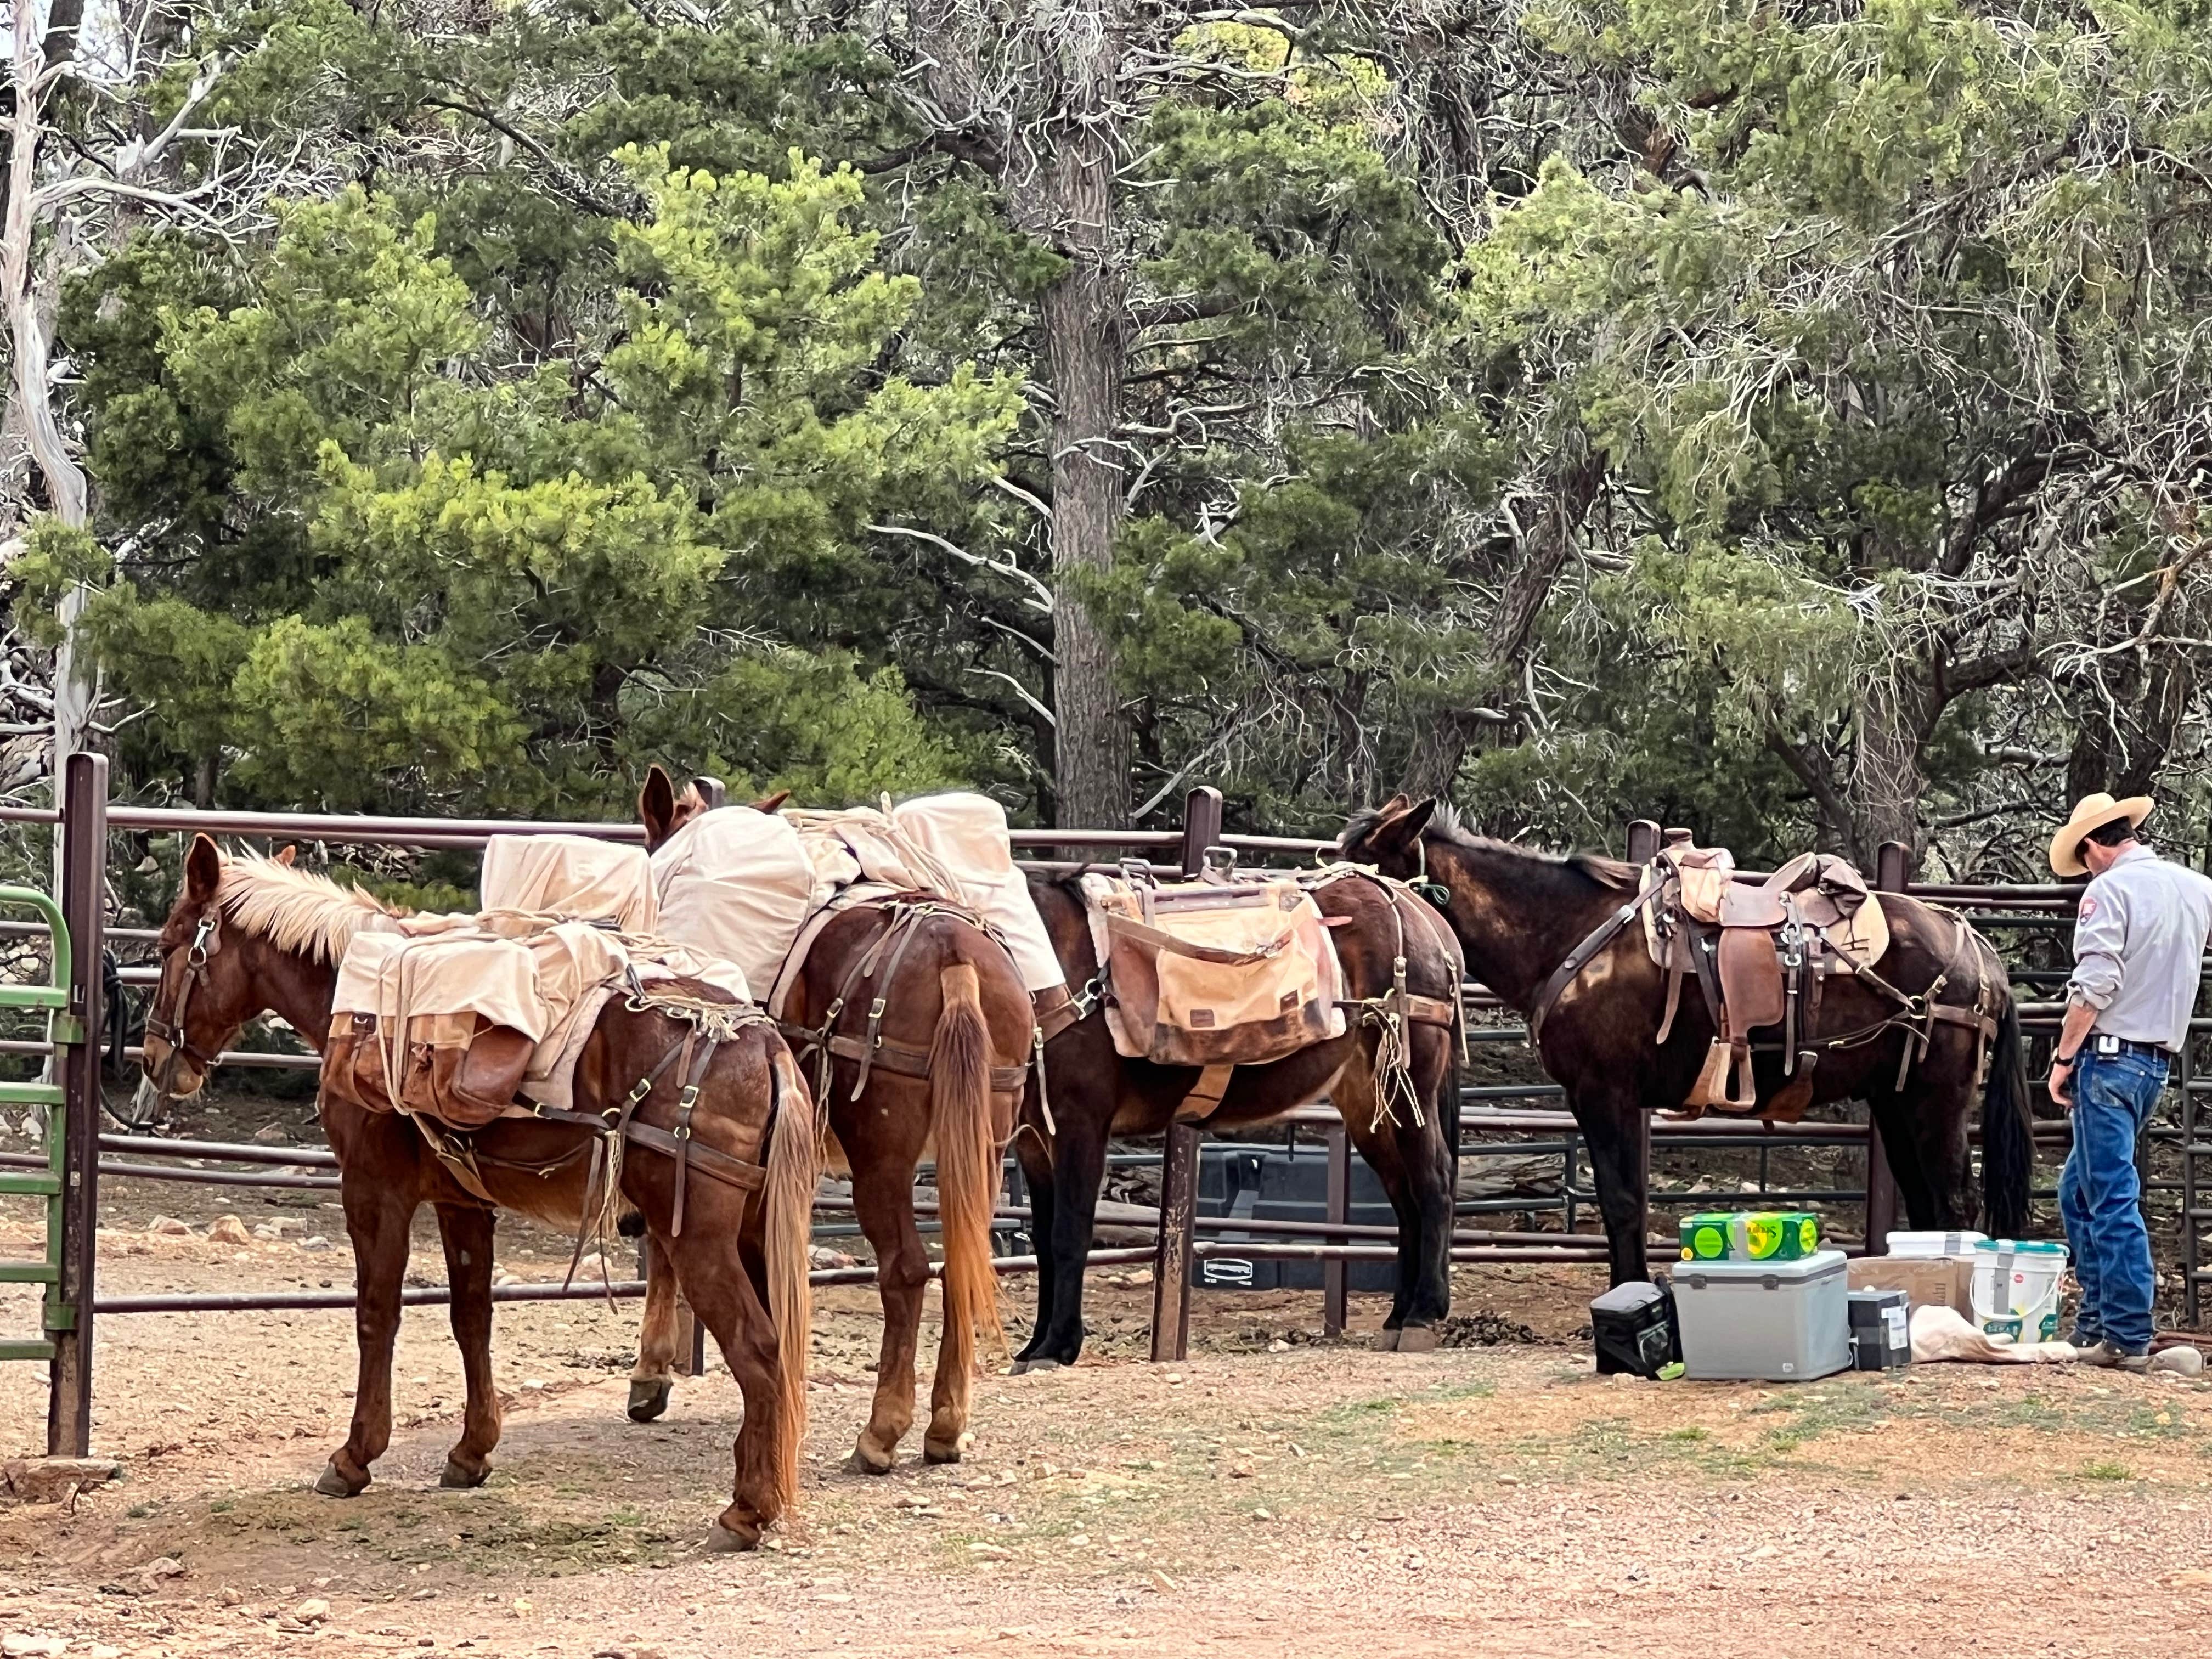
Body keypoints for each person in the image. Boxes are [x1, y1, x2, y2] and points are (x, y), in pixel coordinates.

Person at [2047, 793, 2212, 1374]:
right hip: (2154, 1061)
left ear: (2094, 844)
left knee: (2110, 1194)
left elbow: (2094, 987)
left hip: (2109, 1058)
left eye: (2083, 855)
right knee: (2081, 1189)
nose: (2086, 867)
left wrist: (2064, 1057)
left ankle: (2124, 1332)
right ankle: (2100, 1323)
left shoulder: (2109, 891)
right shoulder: (2197, 888)